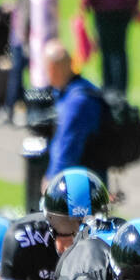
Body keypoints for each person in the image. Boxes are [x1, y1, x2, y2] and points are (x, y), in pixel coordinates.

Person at [43, 39, 106, 185]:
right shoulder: (77, 90)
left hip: (81, 185)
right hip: (89, 177)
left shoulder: (77, 102)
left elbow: (67, 145)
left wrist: (53, 179)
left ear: (53, 68)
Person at [1, 0, 29, 125]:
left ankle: (9, 110)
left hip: (23, 34)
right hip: (23, 31)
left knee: (17, 73)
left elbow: (27, 9)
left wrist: (24, 32)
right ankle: (21, 109)